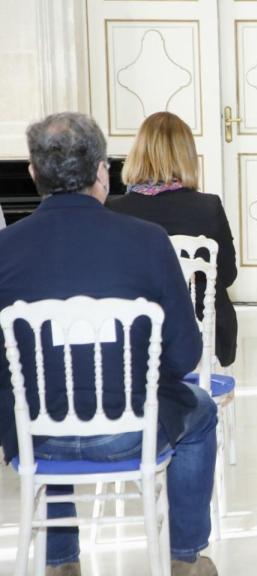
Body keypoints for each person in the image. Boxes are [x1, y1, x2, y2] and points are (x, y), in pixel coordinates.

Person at [0, 113, 217, 576]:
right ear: (102, 171)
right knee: (201, 411)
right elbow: (184, 355)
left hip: (34, 437)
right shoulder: (147, 242)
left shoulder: (5, 249)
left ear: (35, 174)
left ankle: (61, 562)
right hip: (130, 432)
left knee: (42, 395)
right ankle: (185, 557)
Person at [107, 111, 239, 367]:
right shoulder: (208, 207)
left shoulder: (114, 210)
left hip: (136, 334)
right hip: (201, 332)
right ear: (187, 156)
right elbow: (229, 274)